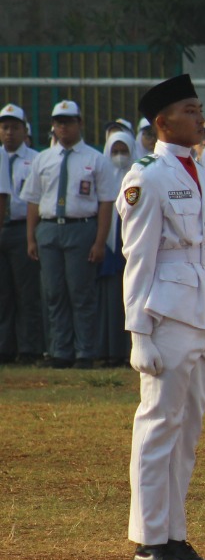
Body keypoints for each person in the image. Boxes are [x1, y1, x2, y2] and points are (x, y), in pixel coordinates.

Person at [121, 75, 205, 560]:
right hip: (166, 312)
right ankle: (150, 540)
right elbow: (137, 259)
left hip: (203, 309)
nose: (199, 116)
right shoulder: (149, 176)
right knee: (159, 424)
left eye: (198, 108)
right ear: (163, 123)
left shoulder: (202, 171)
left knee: (187, 430)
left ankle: (175, 534)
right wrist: (138, 332)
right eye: (189, 110)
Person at [22, 99, 116, 368]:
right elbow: (33, 200)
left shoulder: (95, 159)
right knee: (54, 293)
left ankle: (85, 351)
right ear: (53, 126)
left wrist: (100, 241)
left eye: (68, 121)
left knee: (81, 292)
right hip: (50, 227)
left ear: (80, 123)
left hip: (81, 226)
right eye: (58, 122)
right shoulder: (43, 158)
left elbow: (106, 202)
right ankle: (60, 351)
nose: (62, 127)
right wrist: (31, 237)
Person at [0, 103, 43, 363]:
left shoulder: (35, 160)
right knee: (3, 293)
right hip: (2, 227)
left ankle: (29, 348)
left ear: (24, 130)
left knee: (26, 292)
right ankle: (5, 347)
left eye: (14, 127)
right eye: (4, 127)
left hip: (20, 227)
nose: (9, 133)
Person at [97, 130, 136, 366]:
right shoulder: (102, 175)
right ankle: (110, 352)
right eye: (115, 151)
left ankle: (130, 351)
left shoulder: (139, 175)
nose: (120, 156)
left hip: (132, 247)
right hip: (110, 248)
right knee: (111, 303)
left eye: (124, 151)